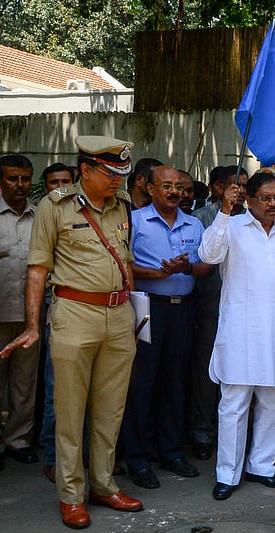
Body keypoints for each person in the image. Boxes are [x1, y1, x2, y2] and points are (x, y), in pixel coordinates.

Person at [0, 136, 144, 529]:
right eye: (110, 173)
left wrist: (133, 310)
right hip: (74, 313)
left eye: (121, 174)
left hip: (118, 316)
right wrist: (33, 325)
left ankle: (102, 483)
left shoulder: (123, 207)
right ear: (86, 170)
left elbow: (126, 259)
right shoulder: (55, 205)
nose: (117, 181)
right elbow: (37, 268)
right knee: (69, 411)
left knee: (110, 409)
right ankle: (71, 493)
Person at [198, 173, 275, 499]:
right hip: (240, 331)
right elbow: (208, 255)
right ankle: (227, 474)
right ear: (250, 199)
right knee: (233, 405)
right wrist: (224, 211)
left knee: (273, 403)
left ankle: (262, 466)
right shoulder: (231, 226)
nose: (274, 204)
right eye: (267, 198)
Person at [119, 165, 209, 489]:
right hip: (147, 309)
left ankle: (171, 453)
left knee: (176, 383)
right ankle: (138, 459)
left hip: (182, 311)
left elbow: (204, 268)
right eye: (166, 186)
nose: (174, 192)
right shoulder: (136, 221)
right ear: (151, 188)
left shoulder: (194, 224)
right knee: (142, 385)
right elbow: (124, 266)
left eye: (178, 187)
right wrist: (157, 274)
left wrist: (189, 267)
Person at [188, 166, 246, 461]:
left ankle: (235, 437)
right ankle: (202, 432)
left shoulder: (253, 221)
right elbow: (199, 264)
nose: (240, 192)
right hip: (210, 306)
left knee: (239, 375)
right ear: (216, 187)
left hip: (243, 312)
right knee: (206, 373)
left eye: (244, 186)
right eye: (234, 186)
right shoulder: (201, 220)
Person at [0, 154, 39, 472]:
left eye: (25, 179)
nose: (20, 185)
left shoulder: (41, 216)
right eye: (13, 178)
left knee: (25, 382)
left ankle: (18, 439)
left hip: (31, 316)